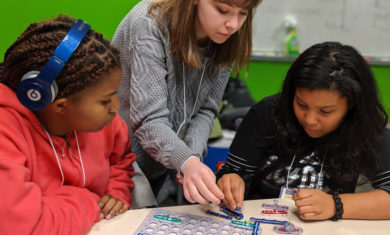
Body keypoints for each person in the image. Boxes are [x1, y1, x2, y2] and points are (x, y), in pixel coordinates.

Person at [217, 42, 390, 220]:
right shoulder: (268, 113)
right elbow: (233, 172)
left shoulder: (366, 128)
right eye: (301, 104)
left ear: (351, 105)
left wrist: (335, 205)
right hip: (258, 221)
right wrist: (230, 179)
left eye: (325, 111)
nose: (309, 119)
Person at [112, 0, 261, 206]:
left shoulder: (228, 35)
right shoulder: (149, 23)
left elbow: (207, 109)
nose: (233, 25)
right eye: (223, 10)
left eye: (243, 14)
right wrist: (186, 160)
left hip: (158, 162)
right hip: (117, 165)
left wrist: (193, 155)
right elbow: (148, 120)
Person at [0, 15, 135, 235]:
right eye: (105, 100)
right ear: (60, 105)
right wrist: (88, 200)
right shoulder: (6, 130)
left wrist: (116, 193)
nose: (115, 107)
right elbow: (19, 226)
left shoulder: (106, 124)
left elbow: (120, 162)